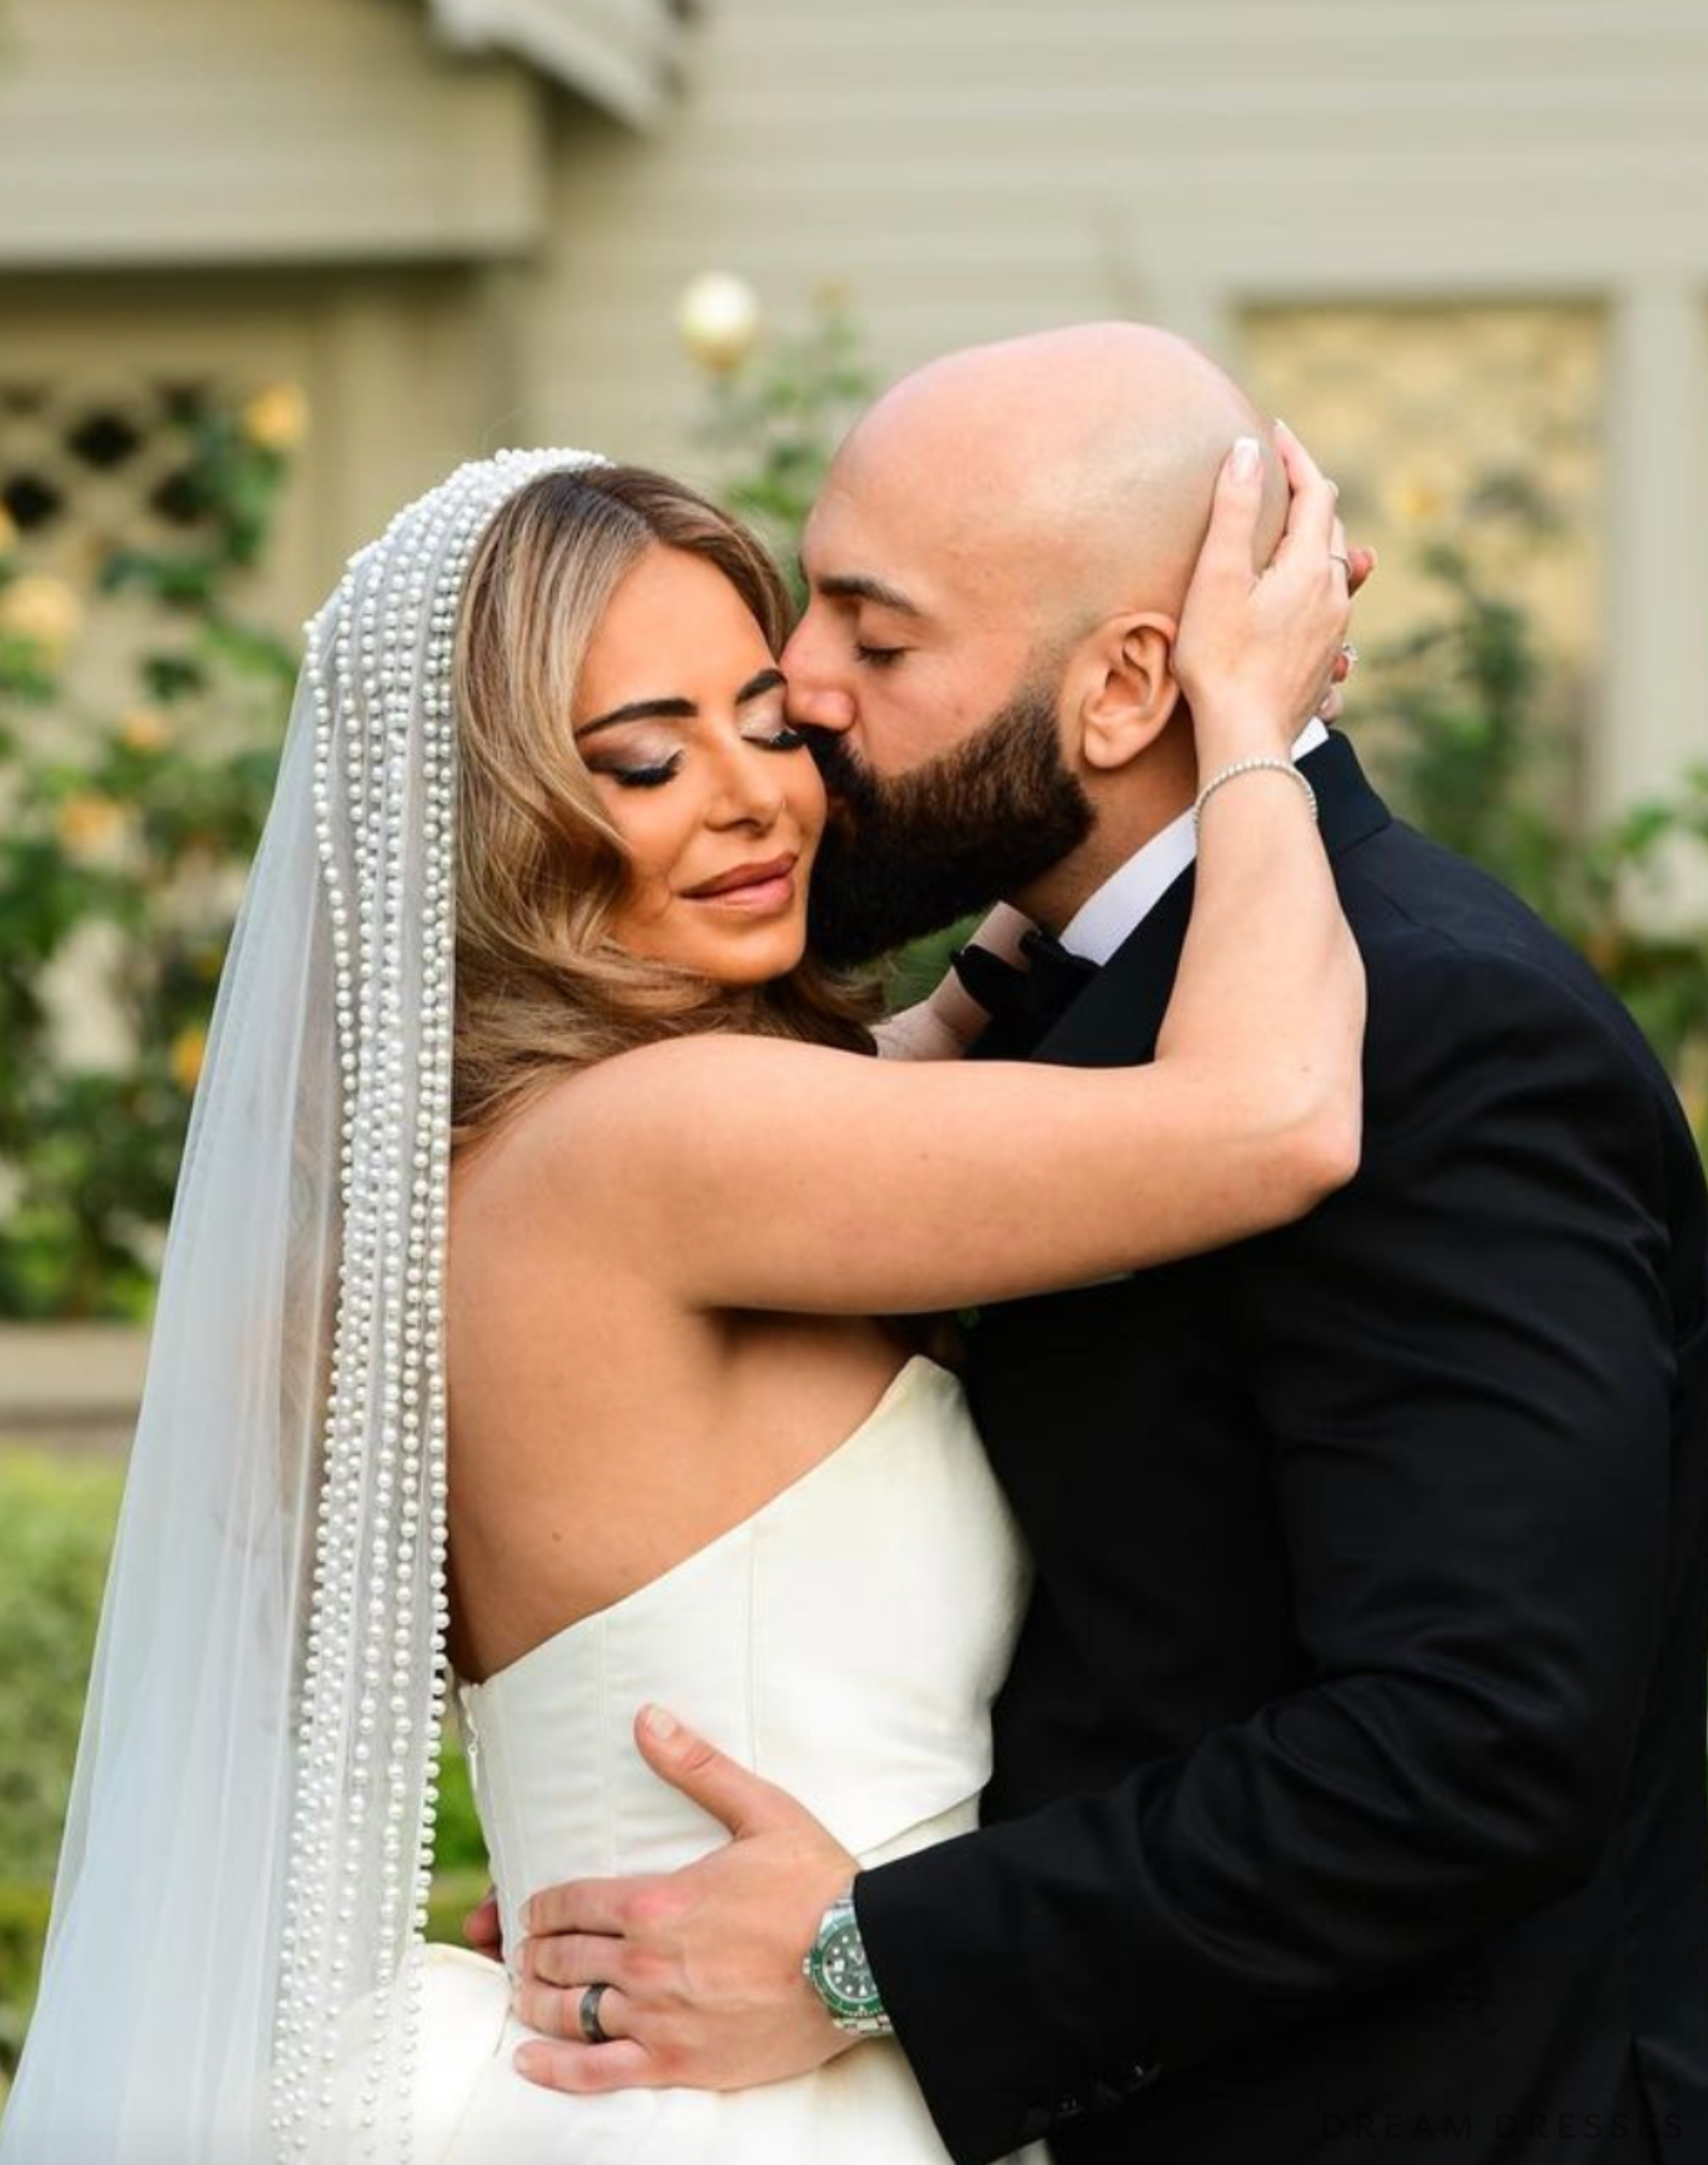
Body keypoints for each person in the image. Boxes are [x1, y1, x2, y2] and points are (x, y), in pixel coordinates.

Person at [0, 430, 1359, 2163]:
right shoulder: (669, 1145)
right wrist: (1248, 724)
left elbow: (924, 1055)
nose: (756, 796)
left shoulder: (498, 1169)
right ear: (497, 822)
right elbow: (1273, 1117)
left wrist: (1053, 820)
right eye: (645, 761)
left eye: (773, 722)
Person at [510, 326, 1708, 2165]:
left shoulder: (1432, 1027)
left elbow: (1475, 1743)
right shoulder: (1068, 1015)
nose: (798, 688)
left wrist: (863, 1961)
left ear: (1131, 681)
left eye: (872, 636)